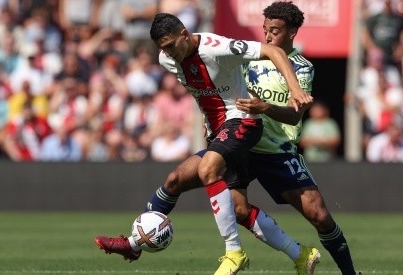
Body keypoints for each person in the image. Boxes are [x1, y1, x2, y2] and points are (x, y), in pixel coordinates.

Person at [94, 4, 363, 274]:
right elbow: (216, 88)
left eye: (275, 31)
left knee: (320, 216)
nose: (268, 36)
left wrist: (268, 106)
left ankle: (349, 272)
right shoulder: (237, 58)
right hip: (234, 140)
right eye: (265, 30)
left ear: (292, 32)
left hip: (273, 149)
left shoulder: (300, 68)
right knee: (195, 189)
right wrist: (207, 117)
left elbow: (294, 117)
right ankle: (134, 242)